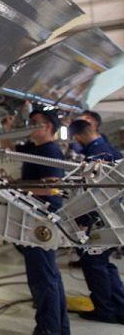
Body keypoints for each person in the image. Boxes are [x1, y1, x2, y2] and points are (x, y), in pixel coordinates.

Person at [6, 110, 70, 335]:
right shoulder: (37, 149)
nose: (30, 126)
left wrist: (16, 187)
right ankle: (59, 328)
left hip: (40, 221)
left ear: (49, 127)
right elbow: (10, 148)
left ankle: (48, 330)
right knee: (49, 277)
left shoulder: (50, 151)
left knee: (42, 280)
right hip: (37, 218)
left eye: (35, 123)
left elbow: (52, 187)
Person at [68, 119, 124, 324]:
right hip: (115, 217)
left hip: (104, 219)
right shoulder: (108, 148)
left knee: (94, 263)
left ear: (79, 136)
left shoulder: (96, 155)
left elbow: (93, 195)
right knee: (105, 265)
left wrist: (83, 220)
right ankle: (119, 307)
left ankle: (105, 310)